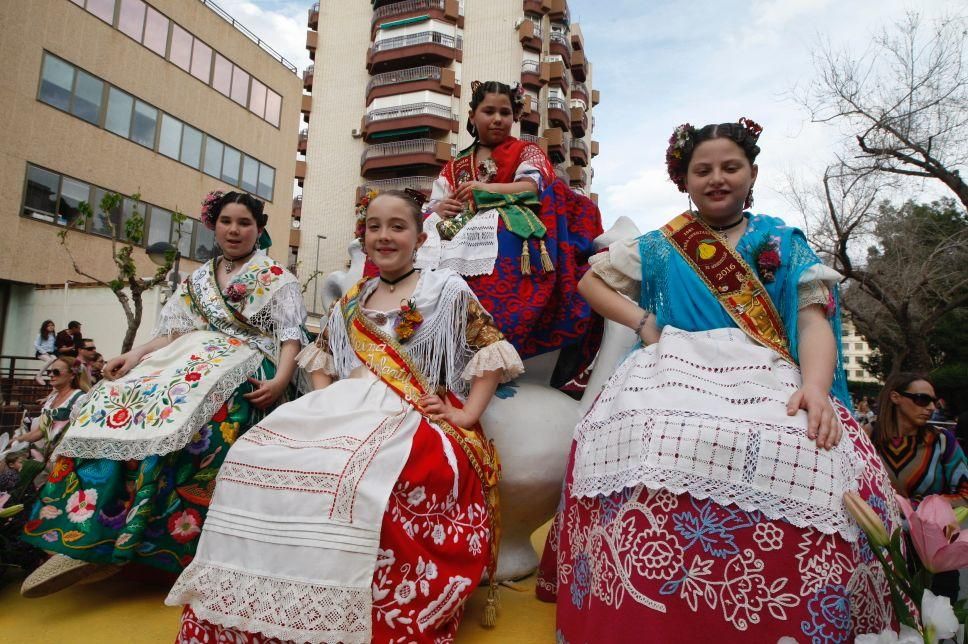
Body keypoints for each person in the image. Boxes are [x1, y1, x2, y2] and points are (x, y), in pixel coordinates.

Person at [536, 119, 901, 642]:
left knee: (811, 449)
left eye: (730, 167)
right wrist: (643, 323)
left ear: (752, 173)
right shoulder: (661, 245)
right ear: (683, 179)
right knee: (633, 437)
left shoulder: (780, 240)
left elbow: (811, 317)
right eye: (701, 170)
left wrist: (816, 389)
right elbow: (592, 280)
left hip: (763, 369)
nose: (716, 178)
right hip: (672, 367)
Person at [166, 191, 523, 643]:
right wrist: (323, 407)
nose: (384, 236)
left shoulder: (445, 288)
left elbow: (490, 351)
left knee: (350, 476)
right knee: (248, 457)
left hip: (409, 411)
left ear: (419, 236)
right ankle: (263, 605)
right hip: (347, 406)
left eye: (397, 226)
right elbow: (324, 360)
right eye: (375, 227)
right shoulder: (354, 298)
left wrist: (466, 414)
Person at [20, 190, 306, 597]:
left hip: (244, 361)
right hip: (187, 358)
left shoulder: (278, 278)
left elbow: (291, 336)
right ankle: (92, 527)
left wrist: (280, 381)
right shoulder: (199, 278)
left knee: (201, 414)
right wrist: (133, 355)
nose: (234, 230)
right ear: (215, 225)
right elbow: (171, 331)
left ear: (259, 230)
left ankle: (162, 540)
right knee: (110, 398)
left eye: (244, 223)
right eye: (227, 221)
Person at [416, 80, 603, 385]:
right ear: (473, 115)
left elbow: (532, 186)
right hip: (456, 229)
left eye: (505, 112)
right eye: (488, 111)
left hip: (506, 225)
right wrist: (439, 209)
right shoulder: (454, 167)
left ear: (514, 116)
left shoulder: (525, 151)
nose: (497, 119)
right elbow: (436, 203)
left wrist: (485, 190)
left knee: (504, 239)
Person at [872, 374, 968, 602]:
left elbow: (965, 493)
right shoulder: (868, 439)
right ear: (895, 397)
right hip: (880, 550)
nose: (932, 407)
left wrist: (918, 509)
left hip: (933, 551)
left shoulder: (941, 441)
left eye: (934, 401)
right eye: (922, 399)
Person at [13, 356, 90, 477]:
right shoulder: (51, 400)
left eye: (56, 372)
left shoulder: (80, 399)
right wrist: (14, 441)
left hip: (67, 460)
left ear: (72, 375)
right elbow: (41, 432)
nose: (51, 375)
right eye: (50, 371)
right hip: (49, 458)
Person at [33, 320, 57, 384]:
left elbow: (54, 346)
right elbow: (36, 344)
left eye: (52, 325)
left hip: (50, 353)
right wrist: (44, 352)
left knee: (55, 359)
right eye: (49, 325)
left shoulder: (53, 335)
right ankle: (38, 375)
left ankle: (53, 375)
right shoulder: (40, 334)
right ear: (45, 327)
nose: (51, 327)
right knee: (49, 360)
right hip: (41, 353)